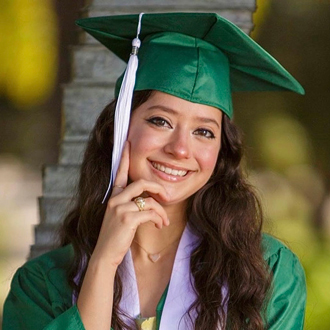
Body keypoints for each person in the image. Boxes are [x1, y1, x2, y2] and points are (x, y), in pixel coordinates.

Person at [2, 13, 306, 330]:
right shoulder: (42, 285)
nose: (181, 149)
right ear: (118, 130)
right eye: (160, 121)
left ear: (221, 151)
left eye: (204, 132)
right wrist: (103, 265)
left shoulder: (266, 272)